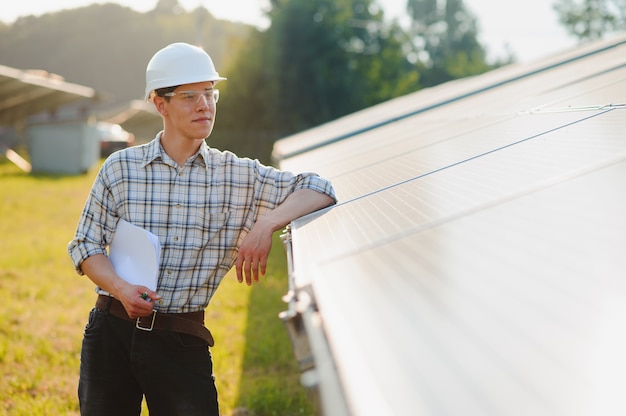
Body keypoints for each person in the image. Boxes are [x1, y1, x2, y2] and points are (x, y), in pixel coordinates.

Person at [68, 42, 336, 416]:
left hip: (182, 342)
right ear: (160, 105)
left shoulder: (238, 175)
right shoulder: (121, 168)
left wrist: (267, 222)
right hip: (110, 334)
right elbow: (85, 246)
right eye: (189, 96)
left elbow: (321, 189)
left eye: (210, 94)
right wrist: (122, 289)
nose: (204, 105)